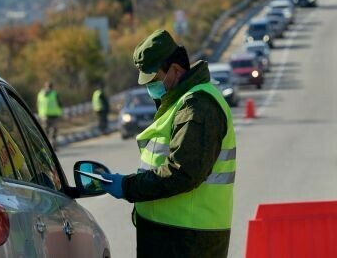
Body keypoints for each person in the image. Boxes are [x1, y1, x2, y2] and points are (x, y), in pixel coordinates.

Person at [100, 29, 236, 258]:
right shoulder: (180, 103)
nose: (151, 88)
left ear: (175, 69)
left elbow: (183, 172)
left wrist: (127, 186)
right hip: (172, 238)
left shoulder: (197, 106)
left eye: (154, 80)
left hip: (188, 242)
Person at [37, 81, 63, 147]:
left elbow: (38, 104)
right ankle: (53, 145)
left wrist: (40, 114)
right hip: (54, 115)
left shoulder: (40, 94)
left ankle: (46, 147)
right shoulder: (54, 94)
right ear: (52, 87)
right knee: (54, 131)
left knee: (45, 132)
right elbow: (60, 104)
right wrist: (61, 113)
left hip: (43, 116)